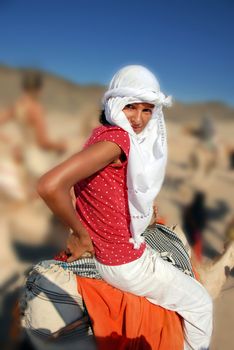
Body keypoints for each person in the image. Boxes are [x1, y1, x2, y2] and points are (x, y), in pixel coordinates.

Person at [37, 65, 213, 350]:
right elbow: (49, 185)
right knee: (201, 303)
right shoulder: (117, 140)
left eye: (147, 110)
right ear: (115, 103)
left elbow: (96, 190)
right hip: (125, 262)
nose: (139, 119)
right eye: (131, 106)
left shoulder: (101, 133)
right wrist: (80, 234)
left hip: (115, 252)